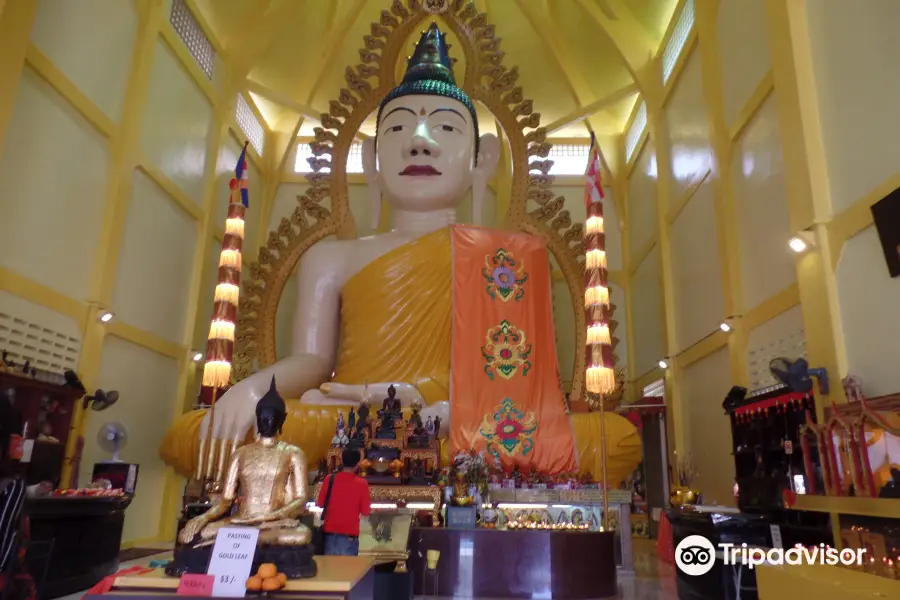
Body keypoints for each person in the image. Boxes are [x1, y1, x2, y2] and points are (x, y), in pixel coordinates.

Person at [316, 449, 370, 556]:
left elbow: (320, 503)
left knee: (330, 570)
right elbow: (365, 512)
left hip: (329, 535)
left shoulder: (329, 479)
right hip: (349, 536)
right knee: (347, 571)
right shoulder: (362, 484)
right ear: (357, 464)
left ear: (341, 461)